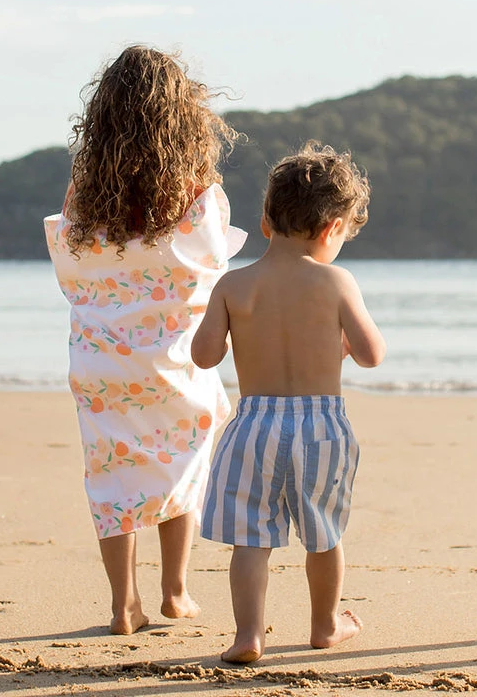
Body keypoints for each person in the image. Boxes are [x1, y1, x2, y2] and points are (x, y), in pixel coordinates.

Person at [44, 45, 245, 634]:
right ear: (183, 116)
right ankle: (175, 591)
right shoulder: (194, 189)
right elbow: (211, 265)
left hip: (101, 359)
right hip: (174, 358)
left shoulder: (84, 192)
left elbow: (70, 270)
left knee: (112, 470)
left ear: (102, 116)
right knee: (180, 460)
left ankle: (122, 603)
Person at [193, 143, 386, 663]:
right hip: (321, 426)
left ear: (263, 222)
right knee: (323, 531)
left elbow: (204, 355)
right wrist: (340, 344)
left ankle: (248, 636)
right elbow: (371, 354)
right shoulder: (336, 281)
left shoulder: (235, 285)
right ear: (333, 231)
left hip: (254, 424)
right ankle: (325, 624)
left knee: (251, 536)